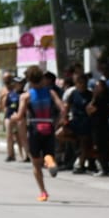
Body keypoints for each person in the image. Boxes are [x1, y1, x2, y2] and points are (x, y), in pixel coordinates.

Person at [14, 65, 64, 202]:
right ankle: (50, 161)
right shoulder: (51, 92)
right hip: (48, 125)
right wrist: (58, 122)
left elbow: (19, 116)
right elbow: (63, 108)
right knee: (48, 153)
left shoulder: (26, 96)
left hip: (35, 127)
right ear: (42, 78)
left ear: (29, 81)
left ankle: (43, 192)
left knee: (36, 163)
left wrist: (13, 118)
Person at [1, 74, 23, 162]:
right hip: (9, 115)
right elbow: (4, 104)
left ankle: (23, 154)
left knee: (20, 136)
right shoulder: (8, 92)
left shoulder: (22, 93)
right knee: (9, 136)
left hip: (19, 116)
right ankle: (10, 154)